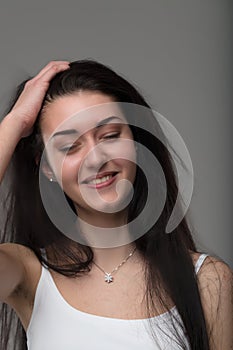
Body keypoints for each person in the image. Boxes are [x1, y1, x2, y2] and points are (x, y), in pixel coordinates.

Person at [0, 60, 232, 350]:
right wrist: (14, 123)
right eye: (70, 147)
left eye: (110, 136)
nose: (96, 160)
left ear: (135, 143)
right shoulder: (29, 274)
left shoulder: (207, 280)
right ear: (47, 167)